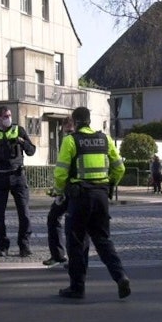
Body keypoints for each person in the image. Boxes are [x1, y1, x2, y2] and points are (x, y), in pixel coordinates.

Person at [54, 106, 130, 300]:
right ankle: (120, 276)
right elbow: (120, 168)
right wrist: (109, 185)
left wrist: (60, 191)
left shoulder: (71, 140)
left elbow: (61, 172)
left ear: (75, 121)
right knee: (103, 240)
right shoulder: (105, 139)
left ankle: (77, 288)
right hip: (101, 196)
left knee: (76, 242)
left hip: (80, 197)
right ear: (89, 120)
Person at [0, 105, 36, 257]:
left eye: (9, 116)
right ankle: (3, 246)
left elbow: (31, 150)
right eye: (5, 116)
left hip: (18, 176)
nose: (8, 119)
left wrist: (22, 142)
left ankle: (24, 245)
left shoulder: (19, 130)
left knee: (24, 213)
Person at [44, 117, 75, 266]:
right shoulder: (85, 140)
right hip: (84, 189)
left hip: (70, 189)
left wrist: (58, 191)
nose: (67, 132)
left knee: (56, 219)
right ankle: (73, 259)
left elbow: (62, 169)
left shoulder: (69, 141)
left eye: (69, 128)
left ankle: (59, 255)